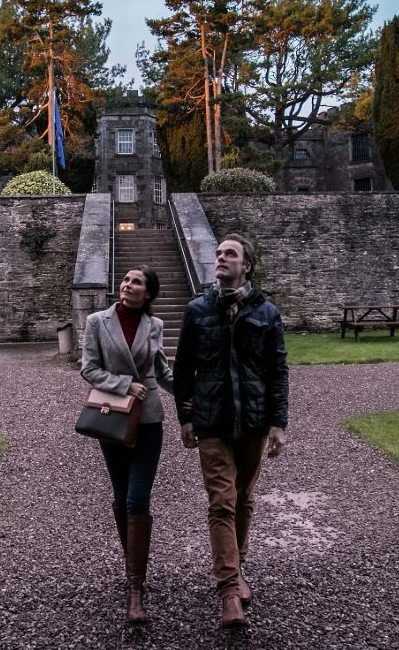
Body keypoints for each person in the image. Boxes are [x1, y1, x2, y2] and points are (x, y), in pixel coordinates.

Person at [173, 233, 289, 629]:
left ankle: (238, 565)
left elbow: (277, 371)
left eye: (230, 254)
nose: (220, 258)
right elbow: (182, 368)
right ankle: (228, 592)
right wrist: (185, 418)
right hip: (212, 422)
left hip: (254, 422)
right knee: (221, 501)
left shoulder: (267, 313)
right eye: (219, 253)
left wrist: (278, 423)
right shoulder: (197, 309)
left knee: (244, 498)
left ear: (247, 265)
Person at [80, 265, 175, 625]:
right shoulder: (97, 321)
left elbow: (162, 373)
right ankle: (132, 565)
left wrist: (191, 397)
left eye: (136, 282)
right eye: (125, 280)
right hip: (113, 419)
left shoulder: (156, 326)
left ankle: (136, 588)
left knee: (138, 498)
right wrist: (123, 384)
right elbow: (88, 368)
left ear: (148, 293)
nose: (127, 285)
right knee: (121, 498)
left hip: (149, 421)